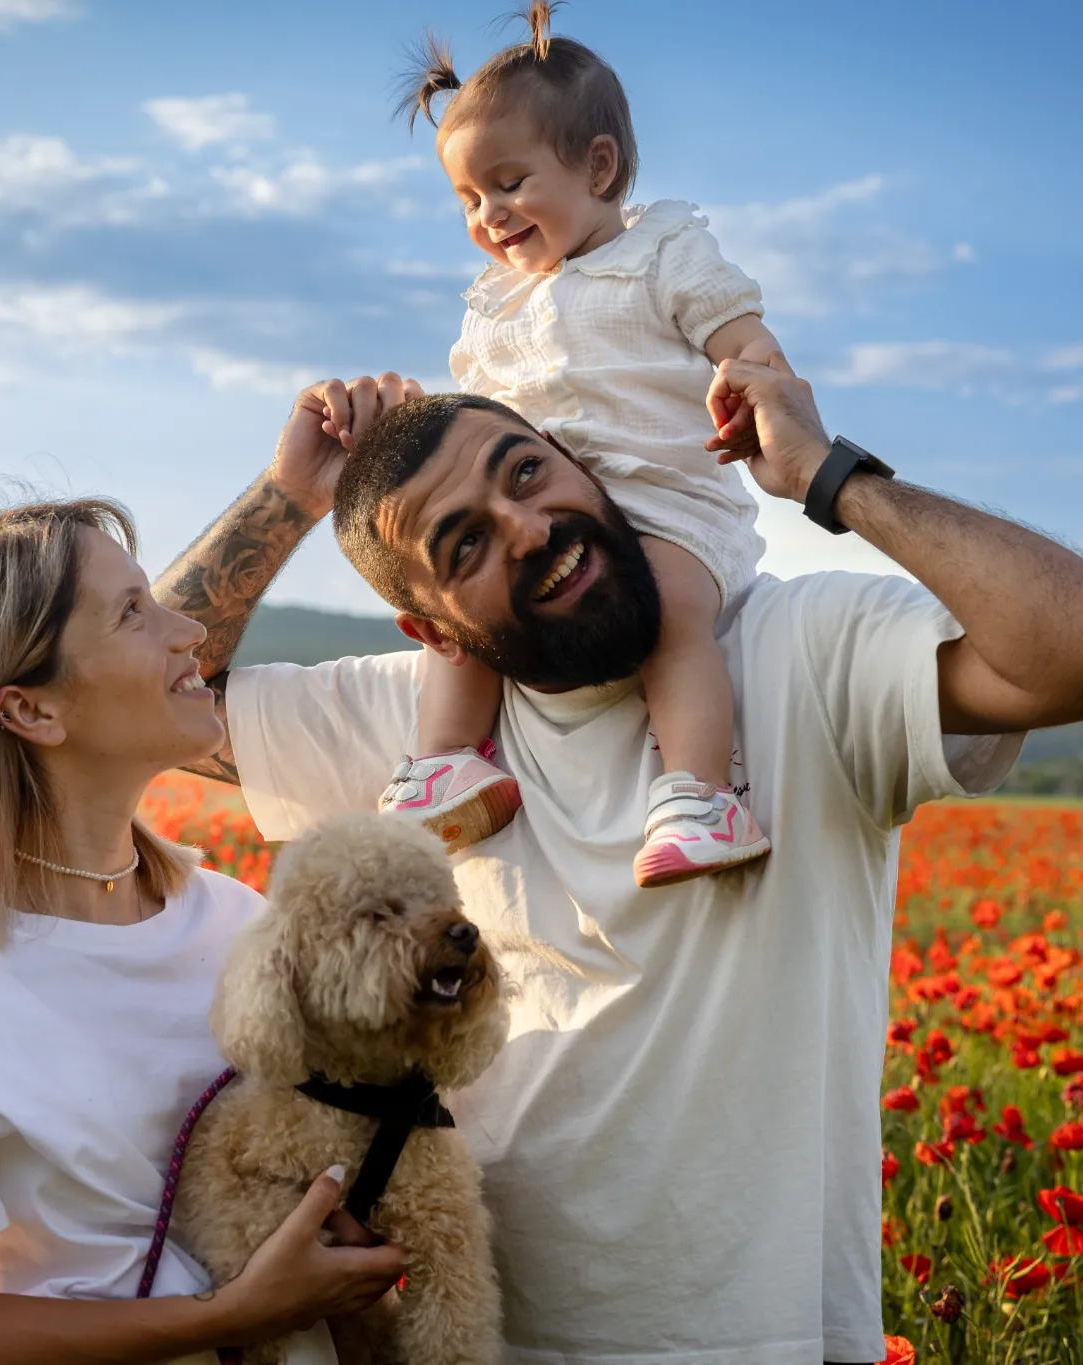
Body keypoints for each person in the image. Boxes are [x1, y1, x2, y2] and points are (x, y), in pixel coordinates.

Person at [160, 368, 1083, 1364]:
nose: (527, 528)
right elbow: (147, 694)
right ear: (432, 633)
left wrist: (828, 475)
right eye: (464, 542)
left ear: (581, 468)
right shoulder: (416, 732)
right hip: (489, 1332)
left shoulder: (796, 649)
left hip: (768, 1335)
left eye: (524, 474)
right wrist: (286, 496)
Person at [0, 499, 406, 1364]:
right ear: (33, 712)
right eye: (132, 612)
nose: (190, 628)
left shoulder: (236, 920)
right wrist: (232, 1315)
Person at [349, 3, 785, 887]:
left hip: (670, 501)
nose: (488, 214)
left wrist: (752, 390)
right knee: (466, 623)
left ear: (598, 167)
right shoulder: (494, 305)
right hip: (545, 507)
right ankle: (444, 763)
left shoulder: (665, 251)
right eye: (469, 199)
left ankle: (701, 792)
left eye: (508, 184)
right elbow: (470, 420)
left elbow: (745, 341)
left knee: (669, 614)